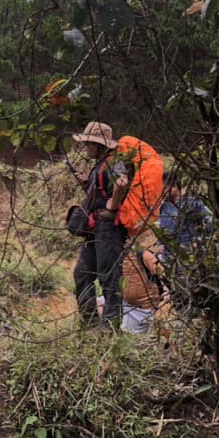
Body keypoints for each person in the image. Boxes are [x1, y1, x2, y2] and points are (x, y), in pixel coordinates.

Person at [71, 121, 130, 328]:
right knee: (82, 274)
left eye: (89, 143)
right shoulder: (100, 165)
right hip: (93, 229)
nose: (86, 147)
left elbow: (121, 184)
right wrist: (87, 184)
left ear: (100, 145)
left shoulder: (115, 163)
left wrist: (112, 208)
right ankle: (90, 326)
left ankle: (109, 331)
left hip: (108, 230)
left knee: (110, 279)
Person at [160, 170, 213, 254]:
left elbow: (210, 222)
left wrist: (198, 242)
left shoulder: (191, 203)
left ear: (174, 187)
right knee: (142, 253)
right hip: (169, 254)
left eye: (164, 188)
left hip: (189, 251)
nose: (162, 192)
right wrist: (161, 245)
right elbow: (162, 233)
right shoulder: (164, 207)